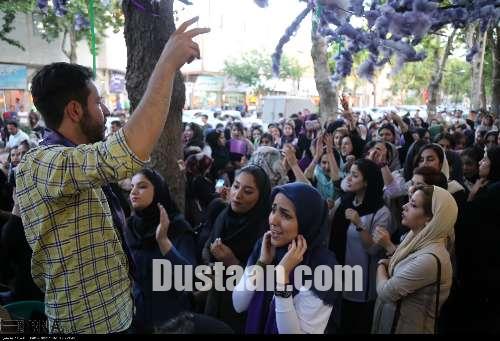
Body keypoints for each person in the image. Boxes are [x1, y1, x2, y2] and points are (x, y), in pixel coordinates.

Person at [14, 18, 209, 333]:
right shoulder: (42, 163)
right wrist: (167, 64)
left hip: (117, 316)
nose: (104, 111)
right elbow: (125, 153)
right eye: (98, 103)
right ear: (76, 111)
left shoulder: (75, 163)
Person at [233, 182, 340, 334]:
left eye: (285, 215)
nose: (273, 220)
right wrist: (261, 263)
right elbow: (239, 305)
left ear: (306, 222)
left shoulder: (322, 266)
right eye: (273, 210)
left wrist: (282, 277)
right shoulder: (267, 247)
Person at [372, 186, 457, 334]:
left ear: (431, 218)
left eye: (413, 205)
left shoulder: (430, 259)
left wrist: (381, 264)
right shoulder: (412, 239)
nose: (404, 206)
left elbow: (385, 292)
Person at [124, 169, 196, 332]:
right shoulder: (129, 227)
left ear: (158, 191)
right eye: (132, 187)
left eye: (142, 187)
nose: (134, 192)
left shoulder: (177, 227)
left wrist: (163, 241)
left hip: (171, 320)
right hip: (133, 317)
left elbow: (189, 278)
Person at [202, 165, 271, 333]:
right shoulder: (224, 215)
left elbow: (263, 281)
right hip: (214, 299)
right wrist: (210, 265)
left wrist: (232, 262)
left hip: (243, 311)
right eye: (236, 186)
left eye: (247, 191)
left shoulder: (265, 232)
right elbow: (207, 246)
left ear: (261, 197)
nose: (237, 195)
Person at [329, 158, 392, 334]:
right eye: (349, 173)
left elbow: (373, 249)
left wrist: (359, 224)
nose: (348, 178)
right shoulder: (345, 200)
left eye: (354, 175)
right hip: (339, 272)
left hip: (361, 280)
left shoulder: (380, 211)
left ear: (366, 182)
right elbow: (328, 225)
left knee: (356, 324)